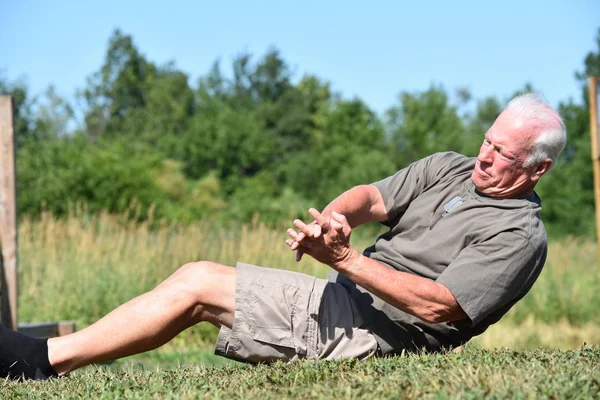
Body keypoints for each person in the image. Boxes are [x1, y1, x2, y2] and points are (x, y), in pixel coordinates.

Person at [0, 93, 566, 381]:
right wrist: (337, 219)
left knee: (198, 286)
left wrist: (342, 258)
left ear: (536, 170)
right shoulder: (452, 166)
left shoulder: (519, 235)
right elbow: (371, 197)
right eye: (488, 141)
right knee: (195, 277)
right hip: (345, 301)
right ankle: (50, 363)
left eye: (503, 155)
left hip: (378, 338)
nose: (485, 158)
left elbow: (439, 307)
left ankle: (38, 363)